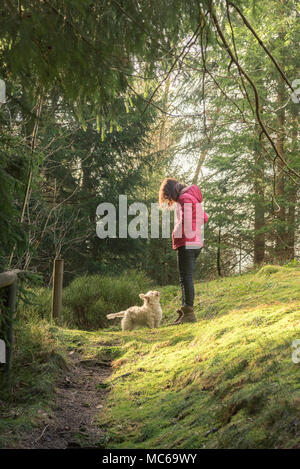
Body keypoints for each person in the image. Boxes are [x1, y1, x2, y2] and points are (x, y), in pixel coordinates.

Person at [159, 178, 208, 324]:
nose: (170, 200)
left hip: (187, 242)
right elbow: (204, 218)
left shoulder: (184, 198)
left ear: (172, 190)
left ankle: (189, 314)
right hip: (196, 243)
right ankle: (185, 311)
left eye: (168, 196)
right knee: (185, 278)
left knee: (185, 278)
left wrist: (176, 233)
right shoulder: (193, 197)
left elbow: (186, 220)